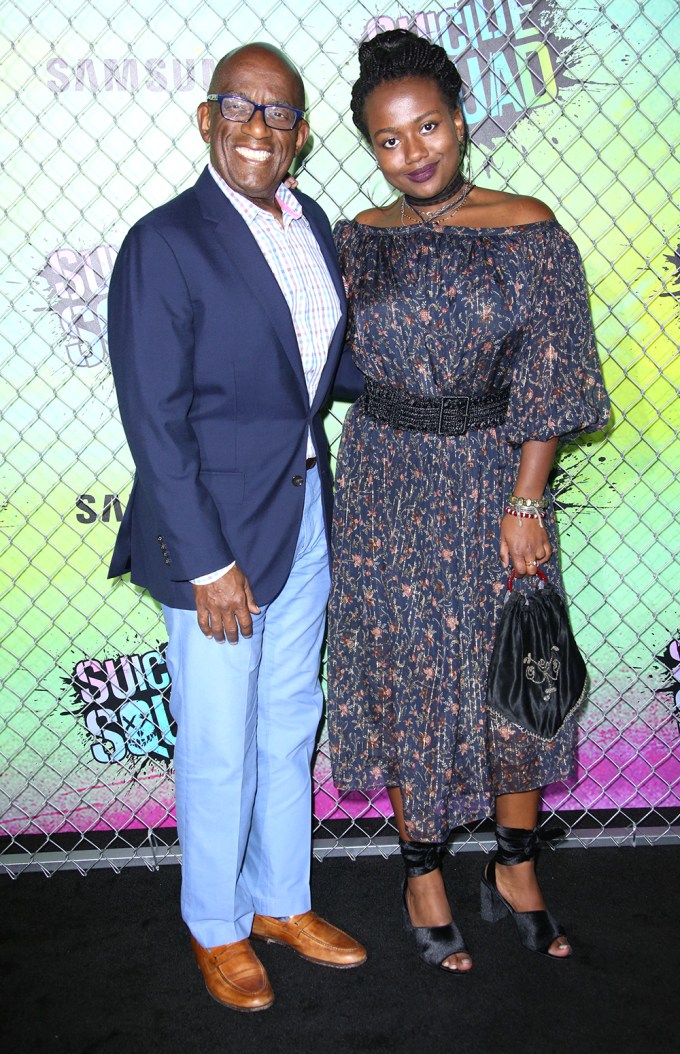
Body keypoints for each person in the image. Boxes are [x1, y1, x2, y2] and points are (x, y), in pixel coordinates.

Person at [326, 29, 610, 973]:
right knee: (407, 673)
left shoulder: (527, 227)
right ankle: (422, 873)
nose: (415, 152)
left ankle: (517, 867)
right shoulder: (356, 241)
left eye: (430, 126)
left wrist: (527, 502)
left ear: (460, 120)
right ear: (370, 145)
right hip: (385, 481)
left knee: (513, 675)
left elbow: (556, 372)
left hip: (498, 478)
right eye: (389, 139)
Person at [107, 43, 366, 1012]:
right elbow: (154, 418)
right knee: (218, 738)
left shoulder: (316, 226)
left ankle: (280, 901)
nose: (258, 127)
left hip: (303, 516)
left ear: (298, 136)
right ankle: (214, 923)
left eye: (278, 113)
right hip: (215, 535)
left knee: (289, 717)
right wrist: (206, 559)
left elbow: (319, 374)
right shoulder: (164, 241)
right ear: (207, 118)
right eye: (239, 107)